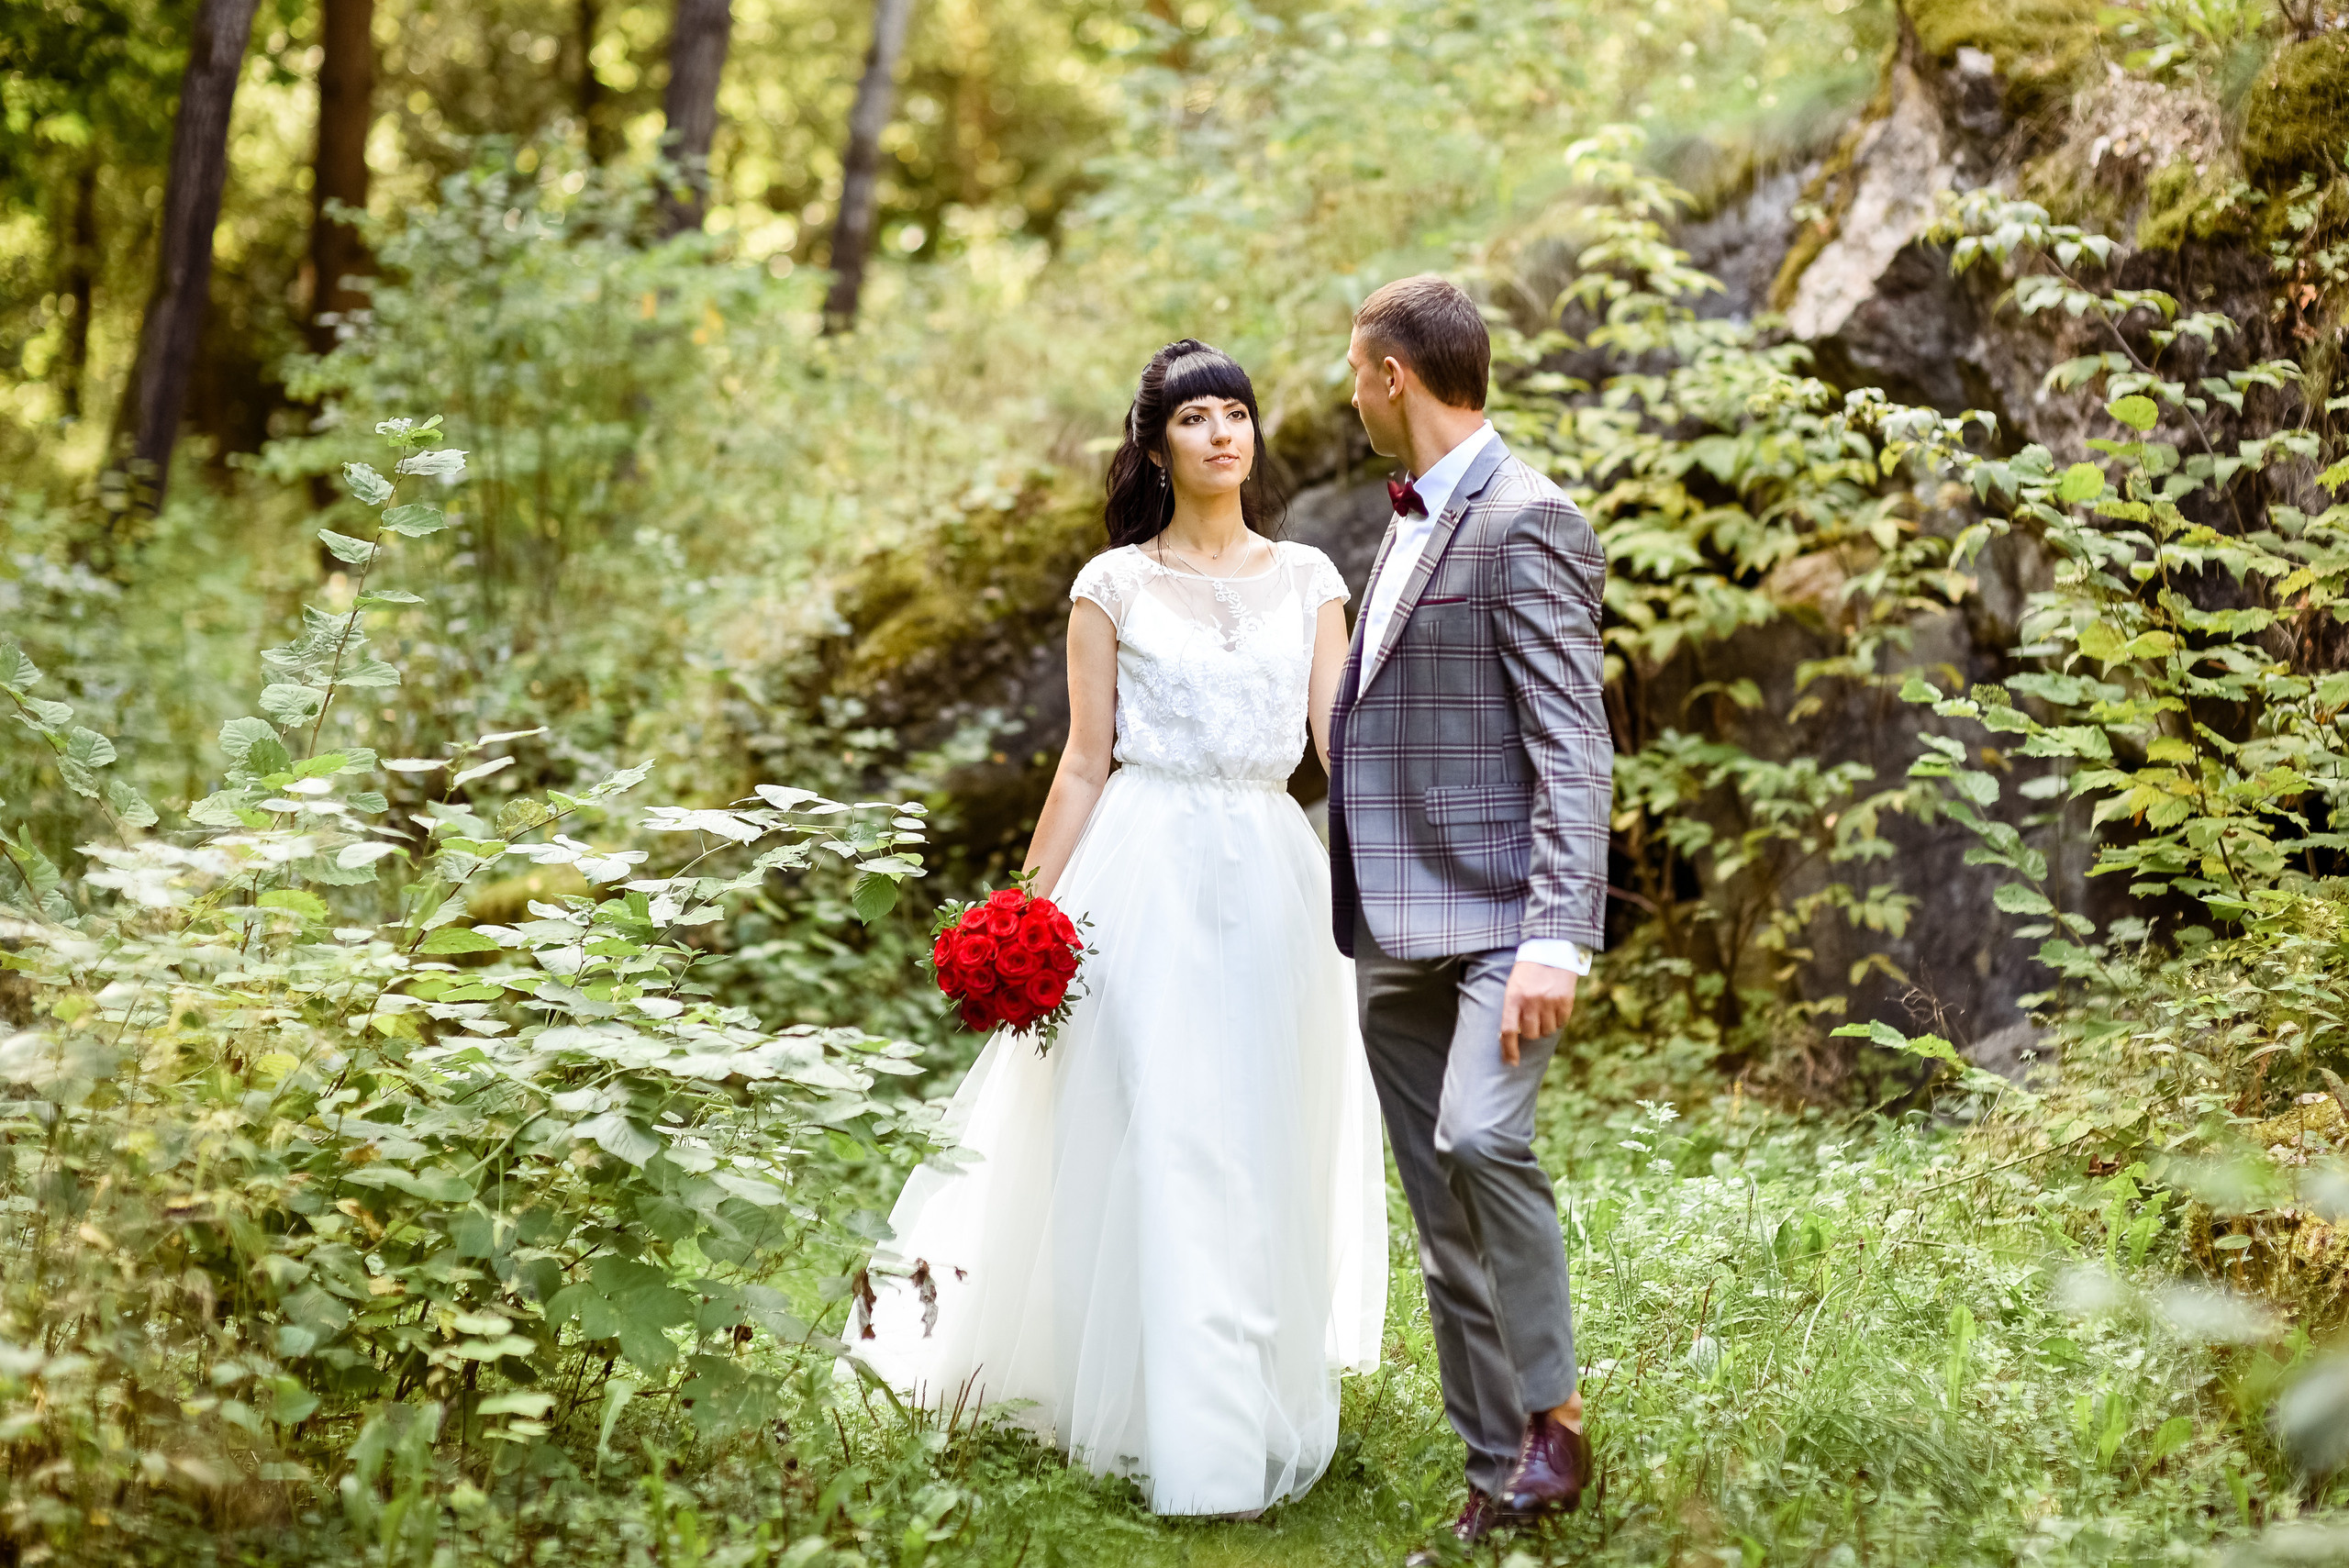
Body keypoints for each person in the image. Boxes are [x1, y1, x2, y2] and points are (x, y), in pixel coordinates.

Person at [852, 339, 1387, 1518]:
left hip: (1268, 870)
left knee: (1257, 1124)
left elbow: (1341, 749)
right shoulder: (1112, 585)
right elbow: (1084, 762)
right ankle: (1180, 1423)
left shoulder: (1309, 578)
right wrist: (1024, 911)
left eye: (1235, 413)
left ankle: (1246, 1379)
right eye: (1194, 417)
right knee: (1167, 1123)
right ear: (1155, 445)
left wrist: (1395, 870)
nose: (1220, 433)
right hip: (1141, 867)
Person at [1326, 275, 1611, 1563]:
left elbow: (1573, 747)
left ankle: (1553, 1417)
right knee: (1440, 1212)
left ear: (1396, 375)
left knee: (1479, 1137)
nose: (1347, 396)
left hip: (1505, 912)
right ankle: (1496, 1473)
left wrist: (1558, 931)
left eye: (1356, 374)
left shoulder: (1528, 516)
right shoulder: (1398, 529)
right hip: (1394, 920)